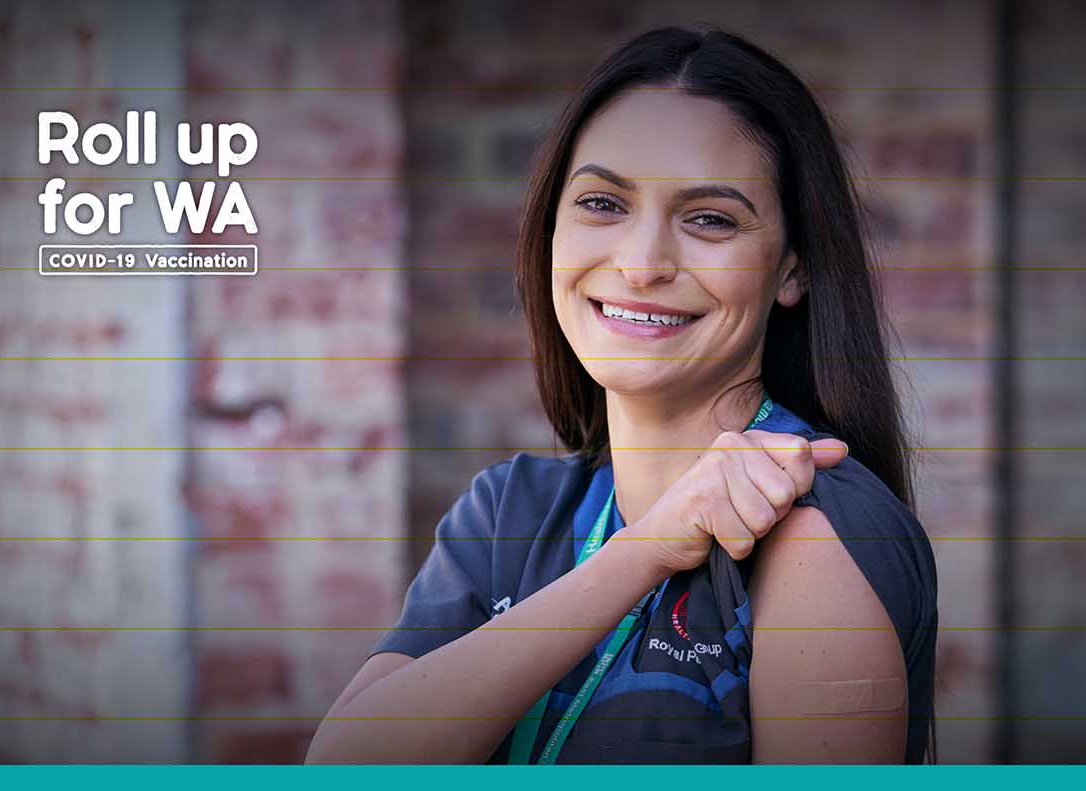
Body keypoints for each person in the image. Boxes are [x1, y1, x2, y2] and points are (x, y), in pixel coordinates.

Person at [306, 26, 938, 765]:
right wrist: (640, 553)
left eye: (710, 218)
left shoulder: (810, 531)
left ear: (793, 269)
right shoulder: (511, 510)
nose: (641, 265)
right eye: (603, 203)